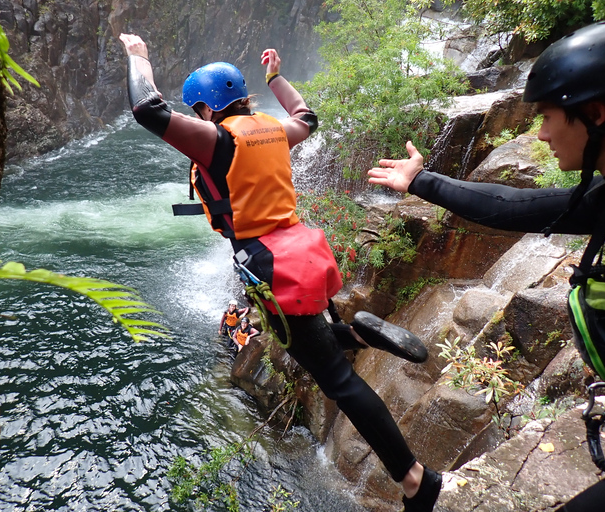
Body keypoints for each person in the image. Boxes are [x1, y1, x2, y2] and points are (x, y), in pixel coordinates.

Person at [120, 33, 440, 511]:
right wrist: (276, 78)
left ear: (207, 108)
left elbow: (147, 110)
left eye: (197, 109)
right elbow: (307, 117)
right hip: (304, 247)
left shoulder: (215, 138)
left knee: (337, 382)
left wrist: (138, 58)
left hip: (270, 264)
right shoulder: (270, 126)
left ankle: (416, 480)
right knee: (312, 342)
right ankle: (354, 333)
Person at [368, 18, 605, 511]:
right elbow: (514, 207)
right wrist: (422, 180)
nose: (541, 132)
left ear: (595, 113)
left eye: (548, 116)